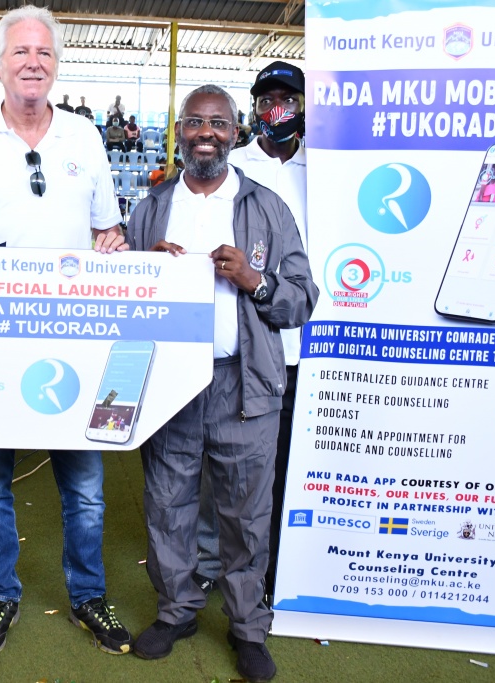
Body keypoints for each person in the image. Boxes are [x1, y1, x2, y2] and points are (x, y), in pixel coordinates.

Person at [0, 5, 132, 658]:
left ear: (56, 64)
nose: (33, 62)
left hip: (74, 339)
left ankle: (89, 594)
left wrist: (113, 242)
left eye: (43, 52)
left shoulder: (84, 137)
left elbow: (108, 229)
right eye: (20, 52)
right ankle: (1, 594)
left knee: (86, 488)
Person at [125, 85, 317, 683]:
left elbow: (302, 298)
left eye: (217, 123)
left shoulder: (267, 206)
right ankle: (177, 611)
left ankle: (247, 628)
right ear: (178, 132)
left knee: (246, 515)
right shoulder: (152, 207)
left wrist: (255, 280)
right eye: (194, 122)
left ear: (235, 132)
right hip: (171, 383)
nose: (205, 133)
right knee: (168, 505)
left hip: (245, 384)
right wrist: (145, 268)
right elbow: (123, 299)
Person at [215, 60, 308, 602]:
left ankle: (277, 573)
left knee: (291, 463)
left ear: (303, 106)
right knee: (241, 472)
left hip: (309, 340)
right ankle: (219, 566)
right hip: (252, 344)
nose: (277, 109)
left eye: (287, 99)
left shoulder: (323, 169)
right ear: (253, 108)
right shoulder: (236, 166)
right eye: (267, 99)